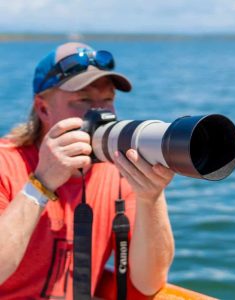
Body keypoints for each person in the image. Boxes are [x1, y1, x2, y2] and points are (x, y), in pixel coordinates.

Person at [0, 42, 175, 299]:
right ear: (43, 108)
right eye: (84, 100)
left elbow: (149, 284)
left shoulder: (118, 171)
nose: (101, 113)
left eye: (108, 100)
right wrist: (41, 183)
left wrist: (152, 197)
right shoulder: (7, 163)